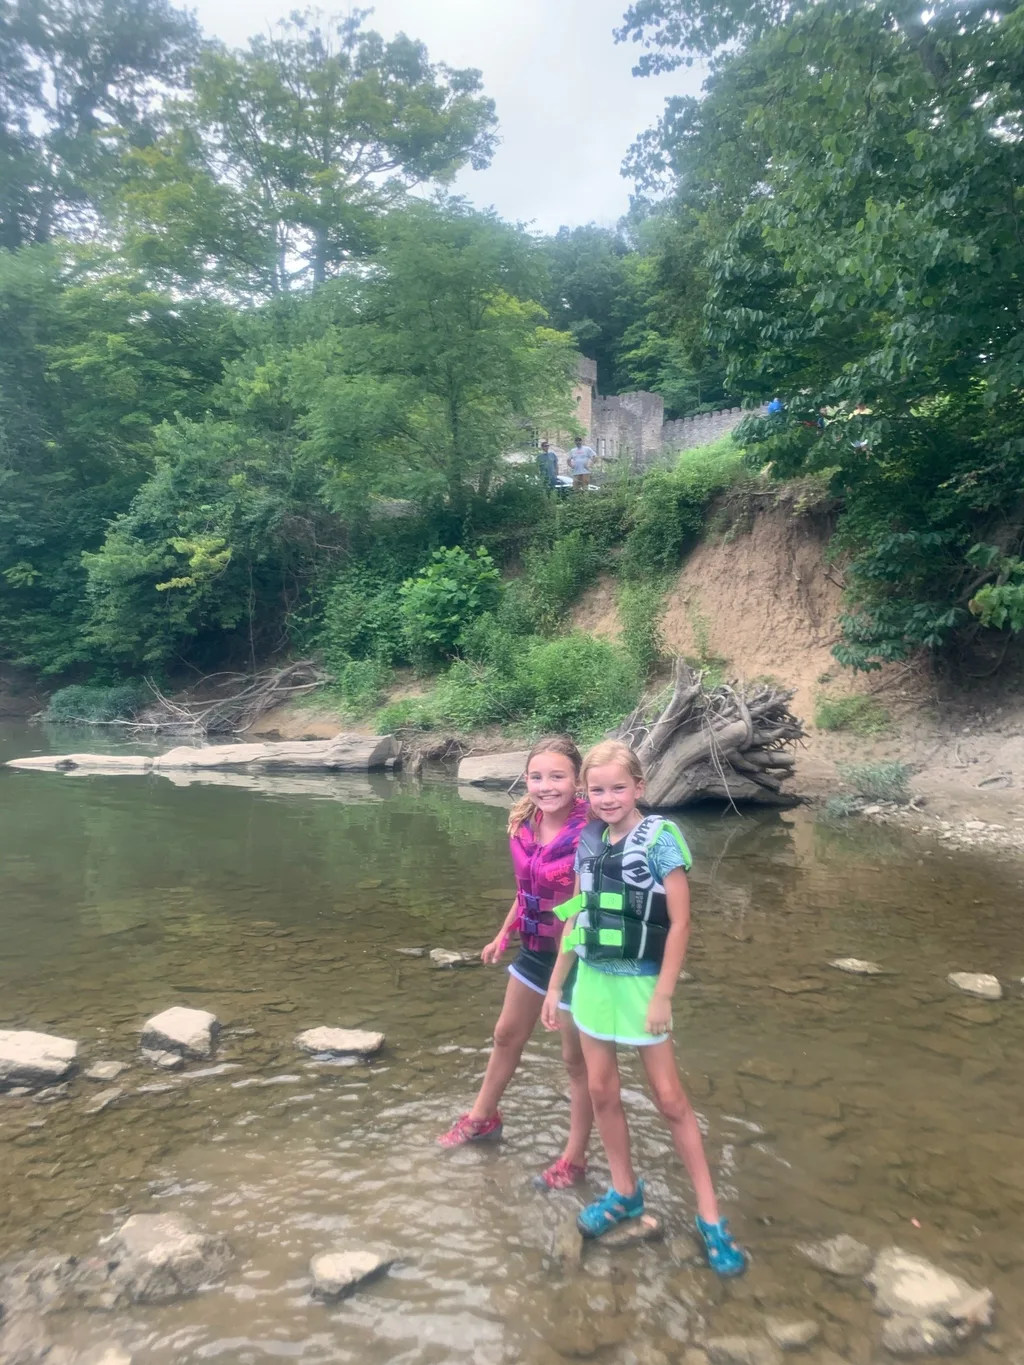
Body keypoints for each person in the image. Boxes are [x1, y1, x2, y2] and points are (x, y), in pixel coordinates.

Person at [540, 739, 746, 1276]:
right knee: (602, 1091)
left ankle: (710, 1217)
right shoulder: (588, 841)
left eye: (618, 788)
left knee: (670, 1100)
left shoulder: (660, 840)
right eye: (597, 790)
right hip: (592, 984)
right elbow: (575, 915)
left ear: (639, 787)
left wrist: (663, 995)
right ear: (585, 793)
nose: (607, 798)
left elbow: (680, 922)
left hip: (641, 986)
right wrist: (556, 986)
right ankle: (625, 1192)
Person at [437, 736, 594, 1189]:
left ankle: (575, 1158)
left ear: (578, 781)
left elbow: (581, 905)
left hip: (578, 956)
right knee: (506, 1034)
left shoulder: (593, 830)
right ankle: (483, 1117)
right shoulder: (524, 823)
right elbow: (528, 891)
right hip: (534, 948)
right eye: (537, 776)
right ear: (525, 779)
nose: (547, 786)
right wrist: (503, 932)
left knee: (575, 1061)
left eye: (558, 776)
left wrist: (560, 982)